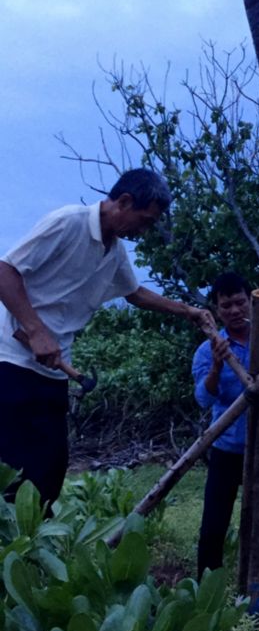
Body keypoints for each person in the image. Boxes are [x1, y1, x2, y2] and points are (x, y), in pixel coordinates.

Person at [0, 168, 213, 509]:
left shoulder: (113, 252)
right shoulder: (67, 223)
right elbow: (5, 270)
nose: (142, 232)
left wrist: (187, 310)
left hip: (55, 370)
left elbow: (136, 293)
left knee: (50, 471)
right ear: (124, 201)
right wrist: (37, 331)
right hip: (12, 362)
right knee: (11, 471)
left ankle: (33, 555)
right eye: (143, 221)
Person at [192, 272, 259, 583]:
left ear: (251, 301)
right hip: (226, 447)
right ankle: (207, 584)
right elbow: (203, 399)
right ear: (217, 310)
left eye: (239, 303)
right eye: (226, 306)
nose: (235, 311)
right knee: (214, 522)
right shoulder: (208, 350)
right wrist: (219, 367)